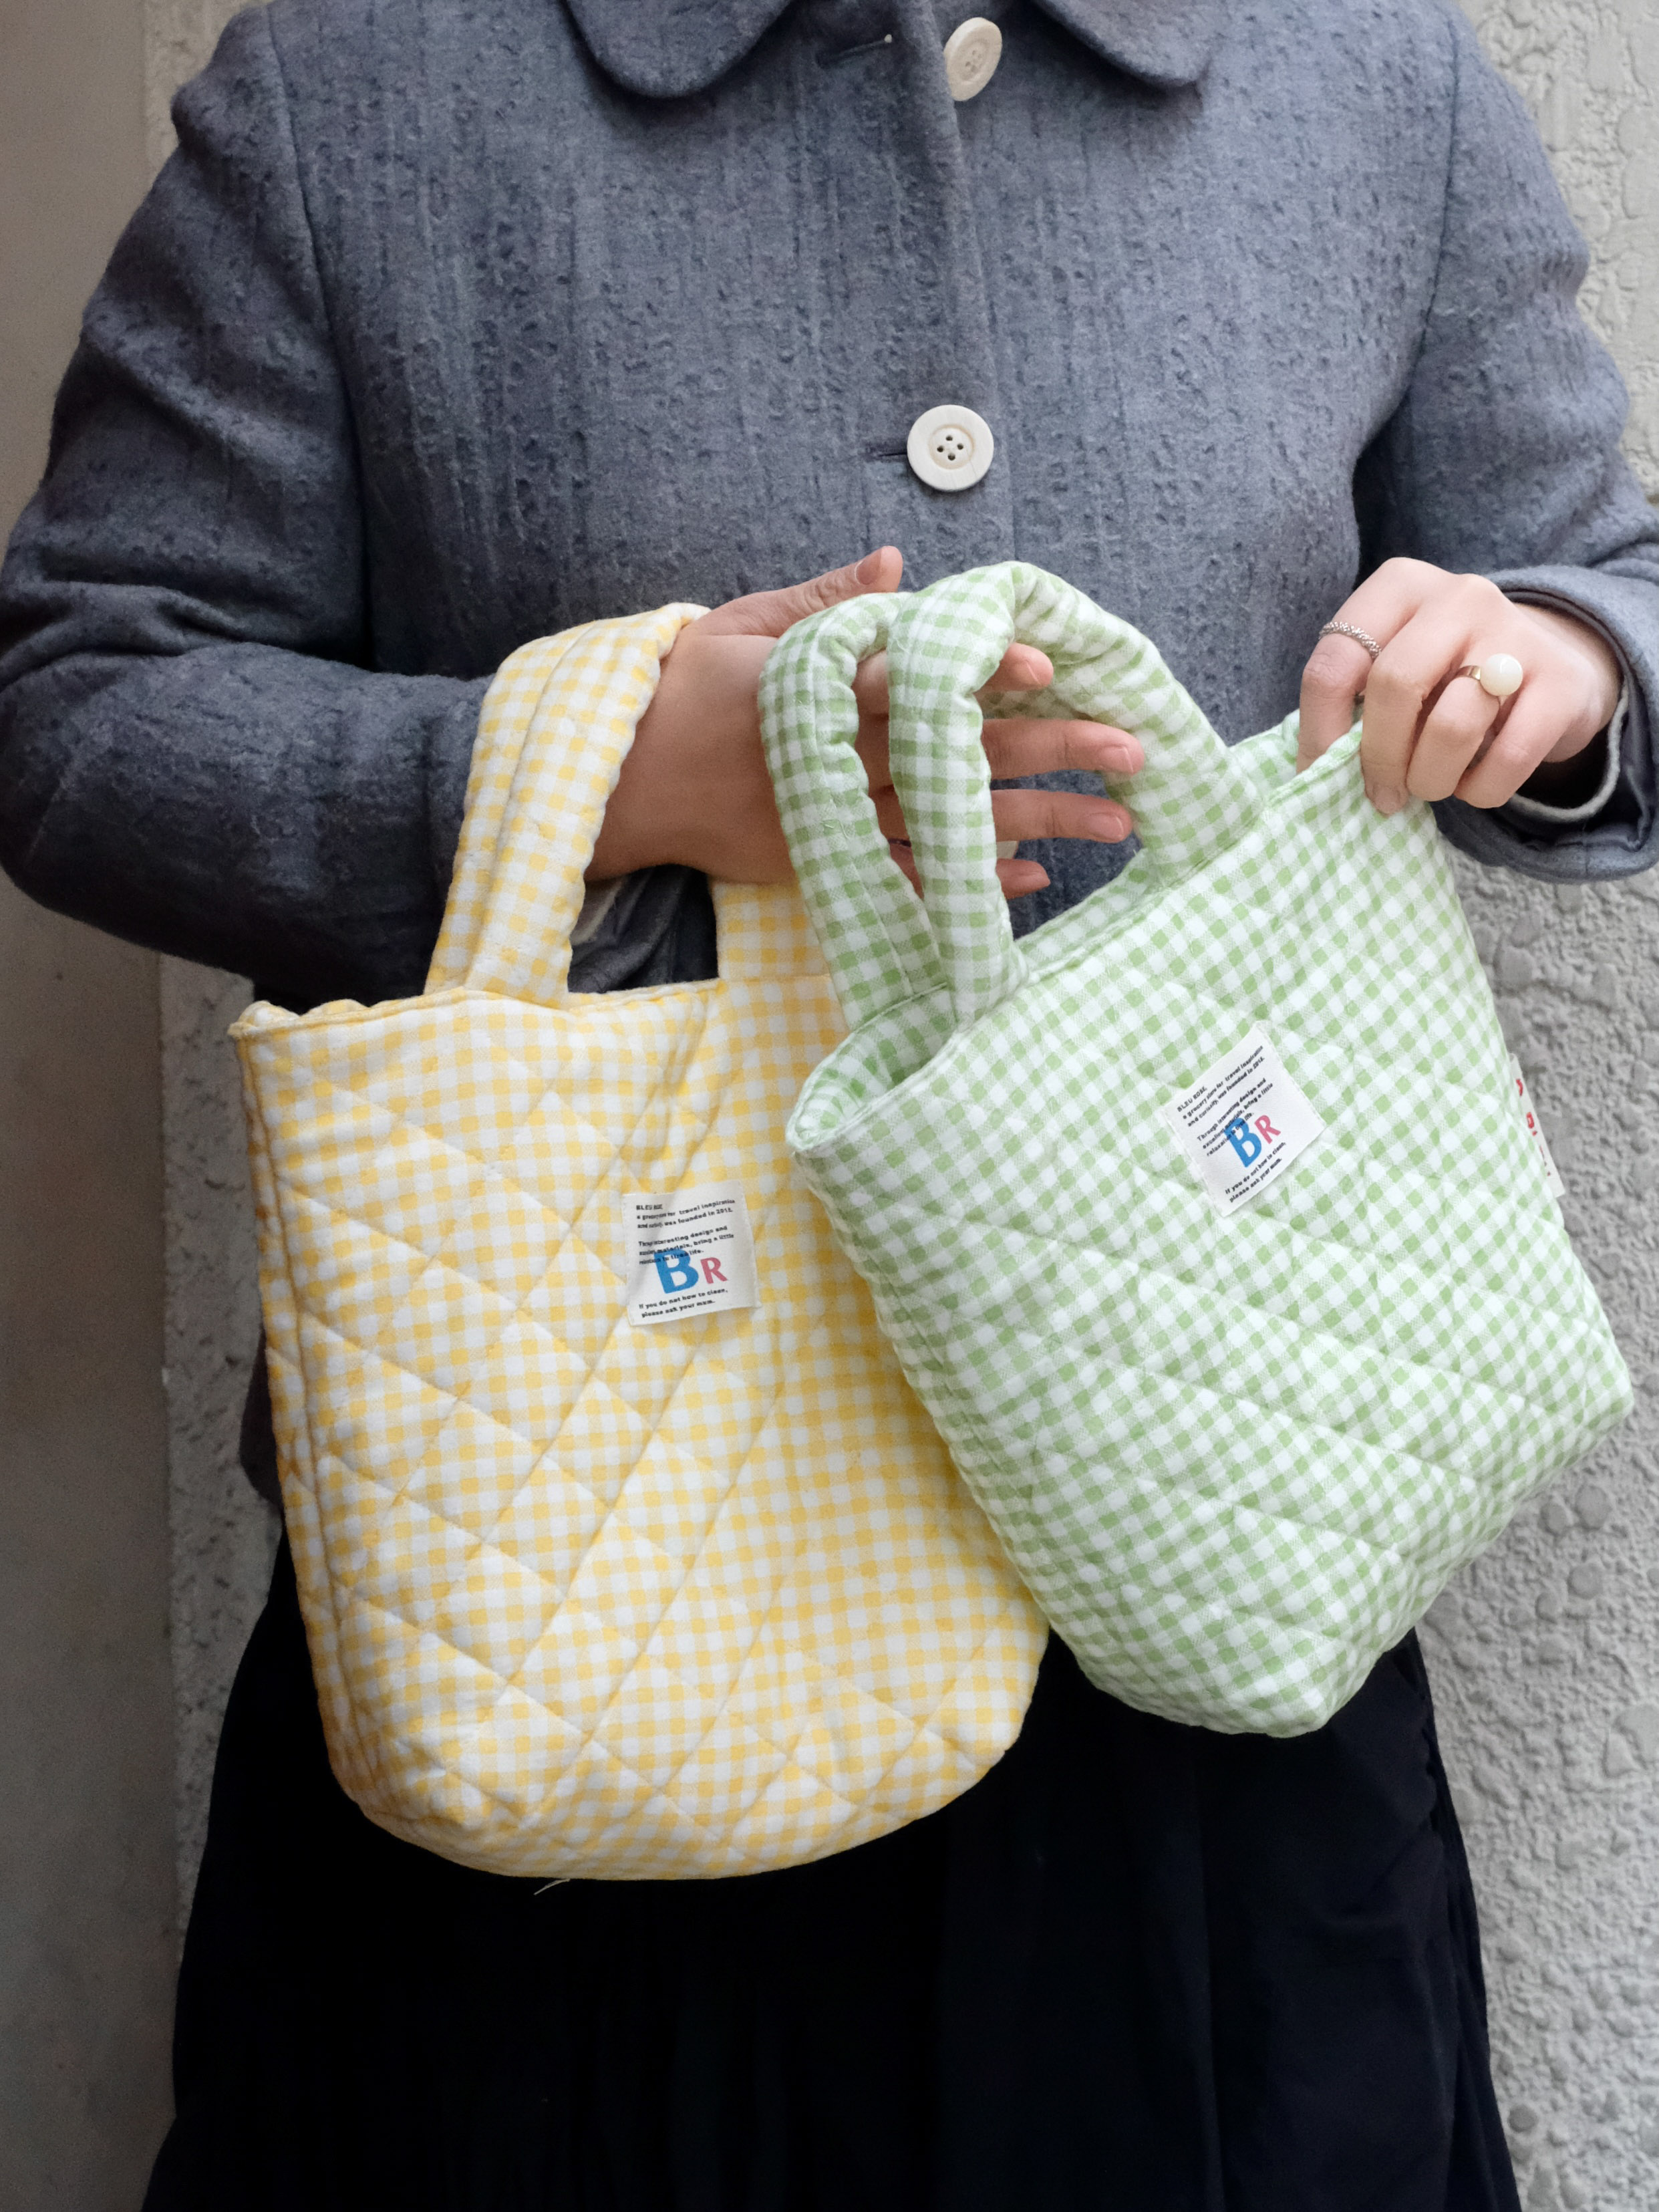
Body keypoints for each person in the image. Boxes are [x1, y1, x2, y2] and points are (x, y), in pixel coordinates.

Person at [1, 0, 1653, 2204]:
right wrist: (597, 768)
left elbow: (1602, 579)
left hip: (1222, 1570)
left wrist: (1553, 662)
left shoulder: (1368, 80)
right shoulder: (360, 82)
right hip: (581, 1588)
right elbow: (81, 707)